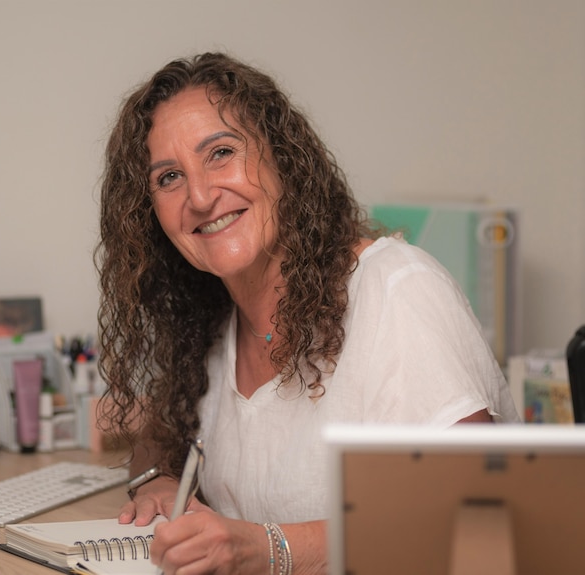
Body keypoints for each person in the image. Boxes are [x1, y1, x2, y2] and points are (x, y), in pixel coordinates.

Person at [95, 52, 520, 575]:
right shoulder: (210, 324)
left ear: (282, 160)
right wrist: (156, 478)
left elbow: (476, 511)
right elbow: (162, 430)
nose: (201, 196)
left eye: (221, 152)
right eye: (168, 178)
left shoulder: (397, 288)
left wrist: (270, 549)